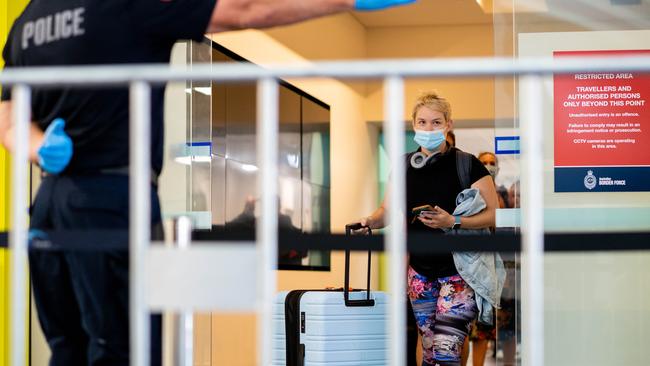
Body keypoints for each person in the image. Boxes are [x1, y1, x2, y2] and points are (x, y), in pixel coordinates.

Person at [0, 1, 417, 365]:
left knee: (66, 346)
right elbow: (243, 10)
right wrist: (344, 0)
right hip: (110, 198)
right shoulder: (120, 4)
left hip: (48, 205)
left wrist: (40, 148)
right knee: (125, 348)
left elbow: (9, 120)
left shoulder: (28, 21)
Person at [351, 92, 503, 366]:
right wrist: (370, 222)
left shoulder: (467, 164)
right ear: (413, 124)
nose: (428, 128)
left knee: (447, 353)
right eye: (422, 122)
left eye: (436, 122)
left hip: (459, 273)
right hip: (420, 275)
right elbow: (387, 210)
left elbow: (493, 215)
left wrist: (453, 222)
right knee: (429, 351)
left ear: (449, 124)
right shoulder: (403, 166)